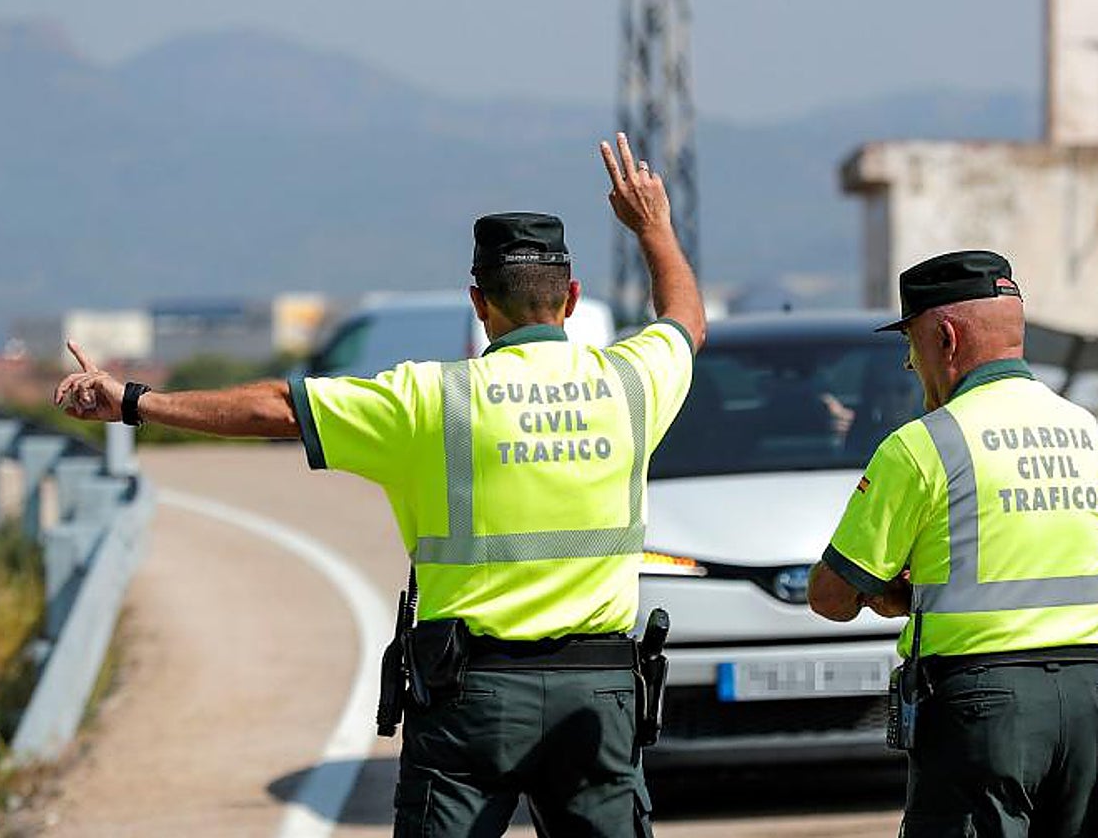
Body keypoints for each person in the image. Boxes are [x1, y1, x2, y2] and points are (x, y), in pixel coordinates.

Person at [54, 132, 705, 836]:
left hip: (472, 700)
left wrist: (133, 401)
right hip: (597, 698)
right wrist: (654, 227)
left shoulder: (430, 400)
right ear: (571, 298)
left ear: (477, 302)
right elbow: (685, 323)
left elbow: (278, 407)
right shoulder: (633, 383)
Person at [806, 250, 1098, 837]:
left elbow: (832, 597)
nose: (911, 365)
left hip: (984, 709)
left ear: (945, 336)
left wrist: (893, 595)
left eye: (910, 343)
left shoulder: (923, 446)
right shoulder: (1089, 432)